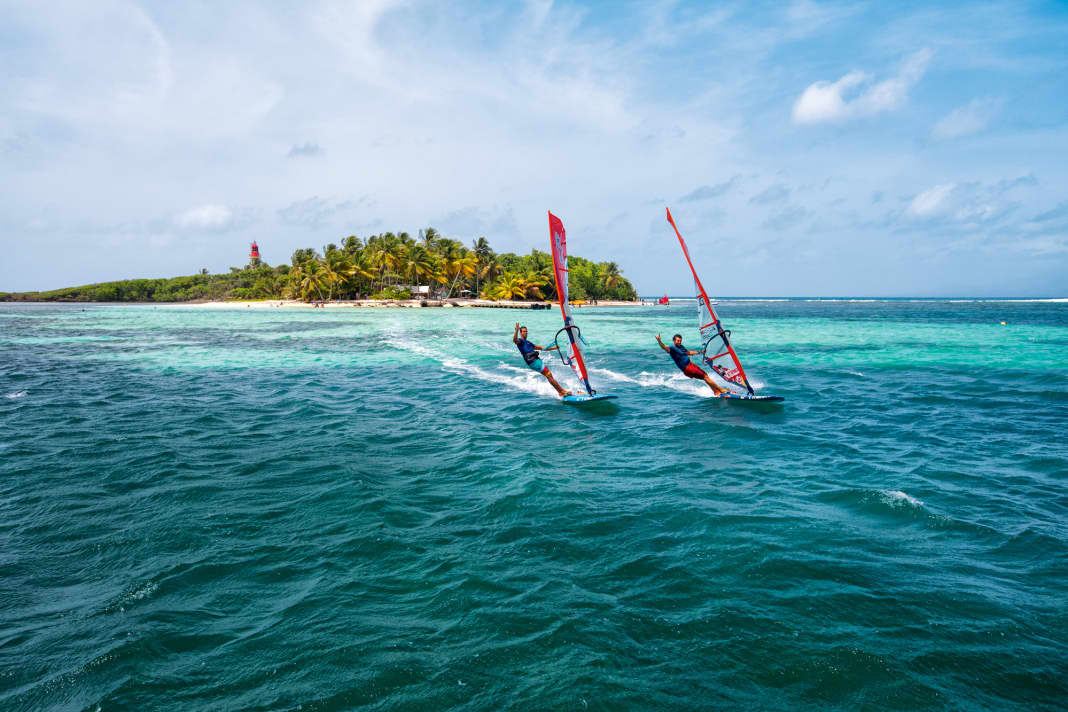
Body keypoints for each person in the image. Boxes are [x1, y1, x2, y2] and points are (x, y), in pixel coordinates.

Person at [656, 332, 728, 395]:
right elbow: (664, 347)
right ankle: (721, 390)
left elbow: (689, 352)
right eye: (678, 341)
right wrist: (659, 340)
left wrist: (700, 352)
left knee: (705, 376)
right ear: (674, 341)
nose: (679, 342)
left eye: (680, 341)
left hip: (690, 365)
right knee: (705, 376)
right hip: (687, 368)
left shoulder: (681, 347)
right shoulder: (671, 348)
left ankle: (716, 391)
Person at [513, 323, 571, 397]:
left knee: (549, 376)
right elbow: (515, 340)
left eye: (526, 331)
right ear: (520, 333)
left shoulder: (528, 342)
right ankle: (562, 392)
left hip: (535, 360)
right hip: (533, 361)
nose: (525, 333)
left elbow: (541, 348)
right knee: (549, 375)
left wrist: (554, 348)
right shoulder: (520, 341)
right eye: (524, 331)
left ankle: (560, 392)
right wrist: (516, 331)